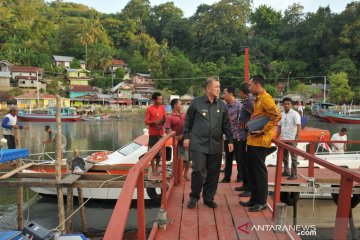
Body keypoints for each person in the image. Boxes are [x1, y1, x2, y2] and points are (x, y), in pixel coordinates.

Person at [184, 77, 234, 209]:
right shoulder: (196, 103)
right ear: (208, 89)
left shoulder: (222, 105)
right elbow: (188, 121)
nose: (219, 89)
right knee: (198, 171)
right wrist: (186, 137)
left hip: (216, 144)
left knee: (213, 173)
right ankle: (194, 196)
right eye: (216, 87)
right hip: (199, 144)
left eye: (219, 87)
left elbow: (226, 124)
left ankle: (208, 197)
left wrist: (230, 139)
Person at [239, 75, 281, 212]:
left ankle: (262, 201)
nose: (249, 88)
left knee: (259, 172)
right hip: (253, 140)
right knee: (252, 171)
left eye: (250, 85)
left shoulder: (266, 98)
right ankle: (254, 199)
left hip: (260, 141)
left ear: (257, 85)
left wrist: (263, 130)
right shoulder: (258, 99)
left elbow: (277, 115)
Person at [234, 83, 254, 197]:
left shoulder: (250, 102)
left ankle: (249, 187)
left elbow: (254, 116)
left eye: (240, 91)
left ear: (242, 92)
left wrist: (248, 127)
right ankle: (245, 184)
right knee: (242, 160)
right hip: (242, 135)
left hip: (246, 135)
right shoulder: (247, 101)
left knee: (246, 162)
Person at [219, 86, 242, 183]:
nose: (223, 95)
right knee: (228, 157)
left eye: (225, 93)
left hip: (237, 136)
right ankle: (227, 177)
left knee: (239, 159)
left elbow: (241, 122)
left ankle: (240, 177)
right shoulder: (224, 106)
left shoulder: (239, 106)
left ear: (230, 94)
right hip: (227, 136)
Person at [276, 97, 301, 180]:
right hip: (283, 138)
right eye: (285, 104)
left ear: (291, 104)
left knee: (294, 156)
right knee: (284, 156)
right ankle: (286, 171)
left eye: (288, 104)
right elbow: (279, 127)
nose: (286, 105)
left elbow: (298, 125)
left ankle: (294, 173)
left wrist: (297, 136)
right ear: (283, 105)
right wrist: (276, 138)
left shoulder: (295, 114)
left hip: (292, 138)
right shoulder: (281, 114)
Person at [165, 99, 190, 181]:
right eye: (180, 104)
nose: (181, 105)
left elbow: (189, 125)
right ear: (175, 105)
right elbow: (167, 130)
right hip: (178, 141)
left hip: (187, 138)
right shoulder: (169, 117)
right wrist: (175, 137)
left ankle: (185, 174)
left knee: (188, 158)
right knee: (182, 158)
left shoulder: (184, 114)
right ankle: (179, 174)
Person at [145, 92, 166, 175]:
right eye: (159, 99)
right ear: (154, 100)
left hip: (161, 133)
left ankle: (157, 168)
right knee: (152, 152)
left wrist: (162, 122)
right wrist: (155, 122)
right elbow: (146, 122)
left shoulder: (162, 108)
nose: (161, 100)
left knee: (159, 153)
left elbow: (165, 118)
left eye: (161, 99)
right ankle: (153, 169)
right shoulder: (149, 109)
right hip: (153, 134)